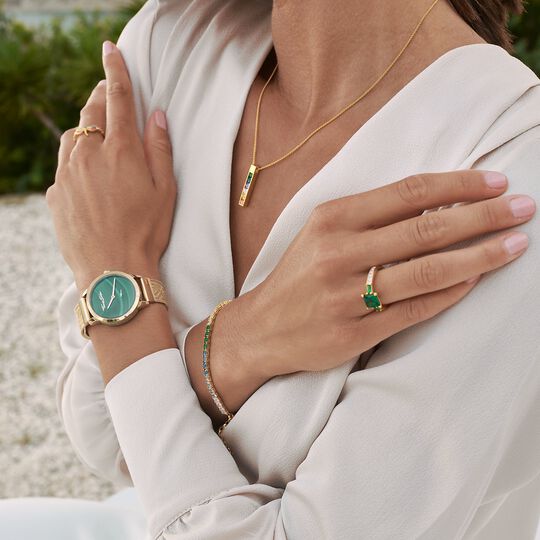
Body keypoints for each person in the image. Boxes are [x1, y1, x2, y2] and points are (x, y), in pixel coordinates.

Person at [2, 0, 540, 538]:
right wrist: (240, 341)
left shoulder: (509, 169)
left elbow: (125, 413)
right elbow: (101, 428)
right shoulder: (173, 41)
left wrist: (122, 290)